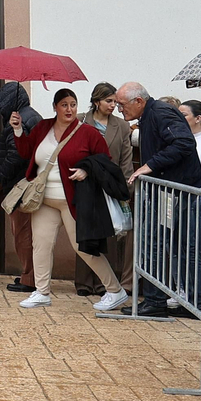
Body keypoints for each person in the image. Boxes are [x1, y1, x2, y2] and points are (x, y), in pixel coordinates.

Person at [13, 88, 127, 311]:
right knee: (41, 245)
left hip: (74, 200)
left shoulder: (88, 133)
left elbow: (104, 161)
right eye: (64, 105)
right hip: (44, 199)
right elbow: (26, 152)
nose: (69, 109)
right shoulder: (43, 127)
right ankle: (42, 292)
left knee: (83, 247)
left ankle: (115, 290)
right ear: (55, 107)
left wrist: (86, 169)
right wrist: (18, 129)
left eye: (73, 104)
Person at [115, 82, 201, 316]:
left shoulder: (160, 112)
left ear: (138, 101)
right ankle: (173, 301)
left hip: (175, 192)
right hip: (168, 192)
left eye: (122, 105)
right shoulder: (150, 115)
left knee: (167, 245)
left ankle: (171, 302)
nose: (119, 110)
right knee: (162, 245)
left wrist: (150, 165)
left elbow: (184, 143)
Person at [79, 82, 134, 294]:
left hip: (109, 183)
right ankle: (84, 282)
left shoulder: (121, 126)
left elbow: (126, 159)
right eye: (108, 101)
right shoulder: (80, 121)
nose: (113, 105)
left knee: (108, 232)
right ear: (96, 101)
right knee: (84, 231)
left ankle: (104, 282)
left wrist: (125, 187)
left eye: (115, 101)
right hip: (84, 182)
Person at [0, 83, 41, 293]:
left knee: (22, 232)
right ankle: (30, 275)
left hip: (21, 185)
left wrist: (1, 175)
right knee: (28, 231)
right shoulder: (32, 115)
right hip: (28, 182)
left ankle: (29, 278)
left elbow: (17, 154)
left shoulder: (20, 120)